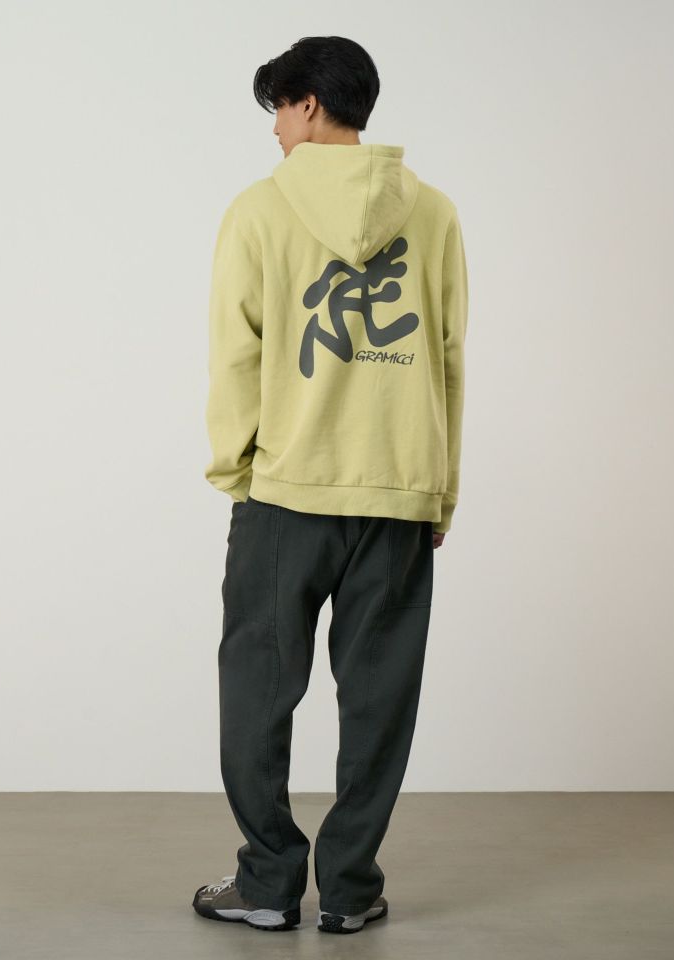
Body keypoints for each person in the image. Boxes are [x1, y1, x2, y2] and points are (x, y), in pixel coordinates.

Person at [192, 35, 469, 934]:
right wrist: (438, 489)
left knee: (256, 690)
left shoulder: (259, 210)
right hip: (398, 494)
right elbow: (447, 358)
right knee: (381, 699)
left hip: (285, 493)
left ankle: (269, 881)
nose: (275, 129)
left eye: (278, 108)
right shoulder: (434, 213)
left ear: (309, 104)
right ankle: (350, 890)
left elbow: (238, 354)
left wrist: (237, 469)